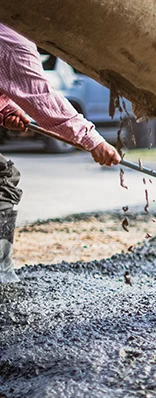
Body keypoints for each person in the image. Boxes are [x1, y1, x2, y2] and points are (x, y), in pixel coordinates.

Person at [0, 23, 120, 283]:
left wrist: (5, 110)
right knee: (2, 179)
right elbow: (42, 98)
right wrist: (93, 141)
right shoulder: (13, 37)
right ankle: (0, 271)